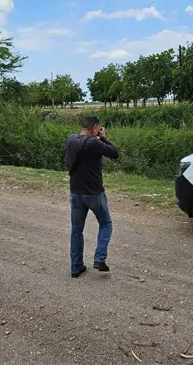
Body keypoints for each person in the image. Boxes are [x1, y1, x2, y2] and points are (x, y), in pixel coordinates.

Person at [65, 116, 119, 278]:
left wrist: (98, 138)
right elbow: (114, 153)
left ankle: (76, 267)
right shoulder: (95, 143)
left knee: (76, 230)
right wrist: (104, 138)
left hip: (75, 192)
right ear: (95, 127)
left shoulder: (71, 139)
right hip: (94, 193)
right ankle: (99, 258)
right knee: (106, 224)